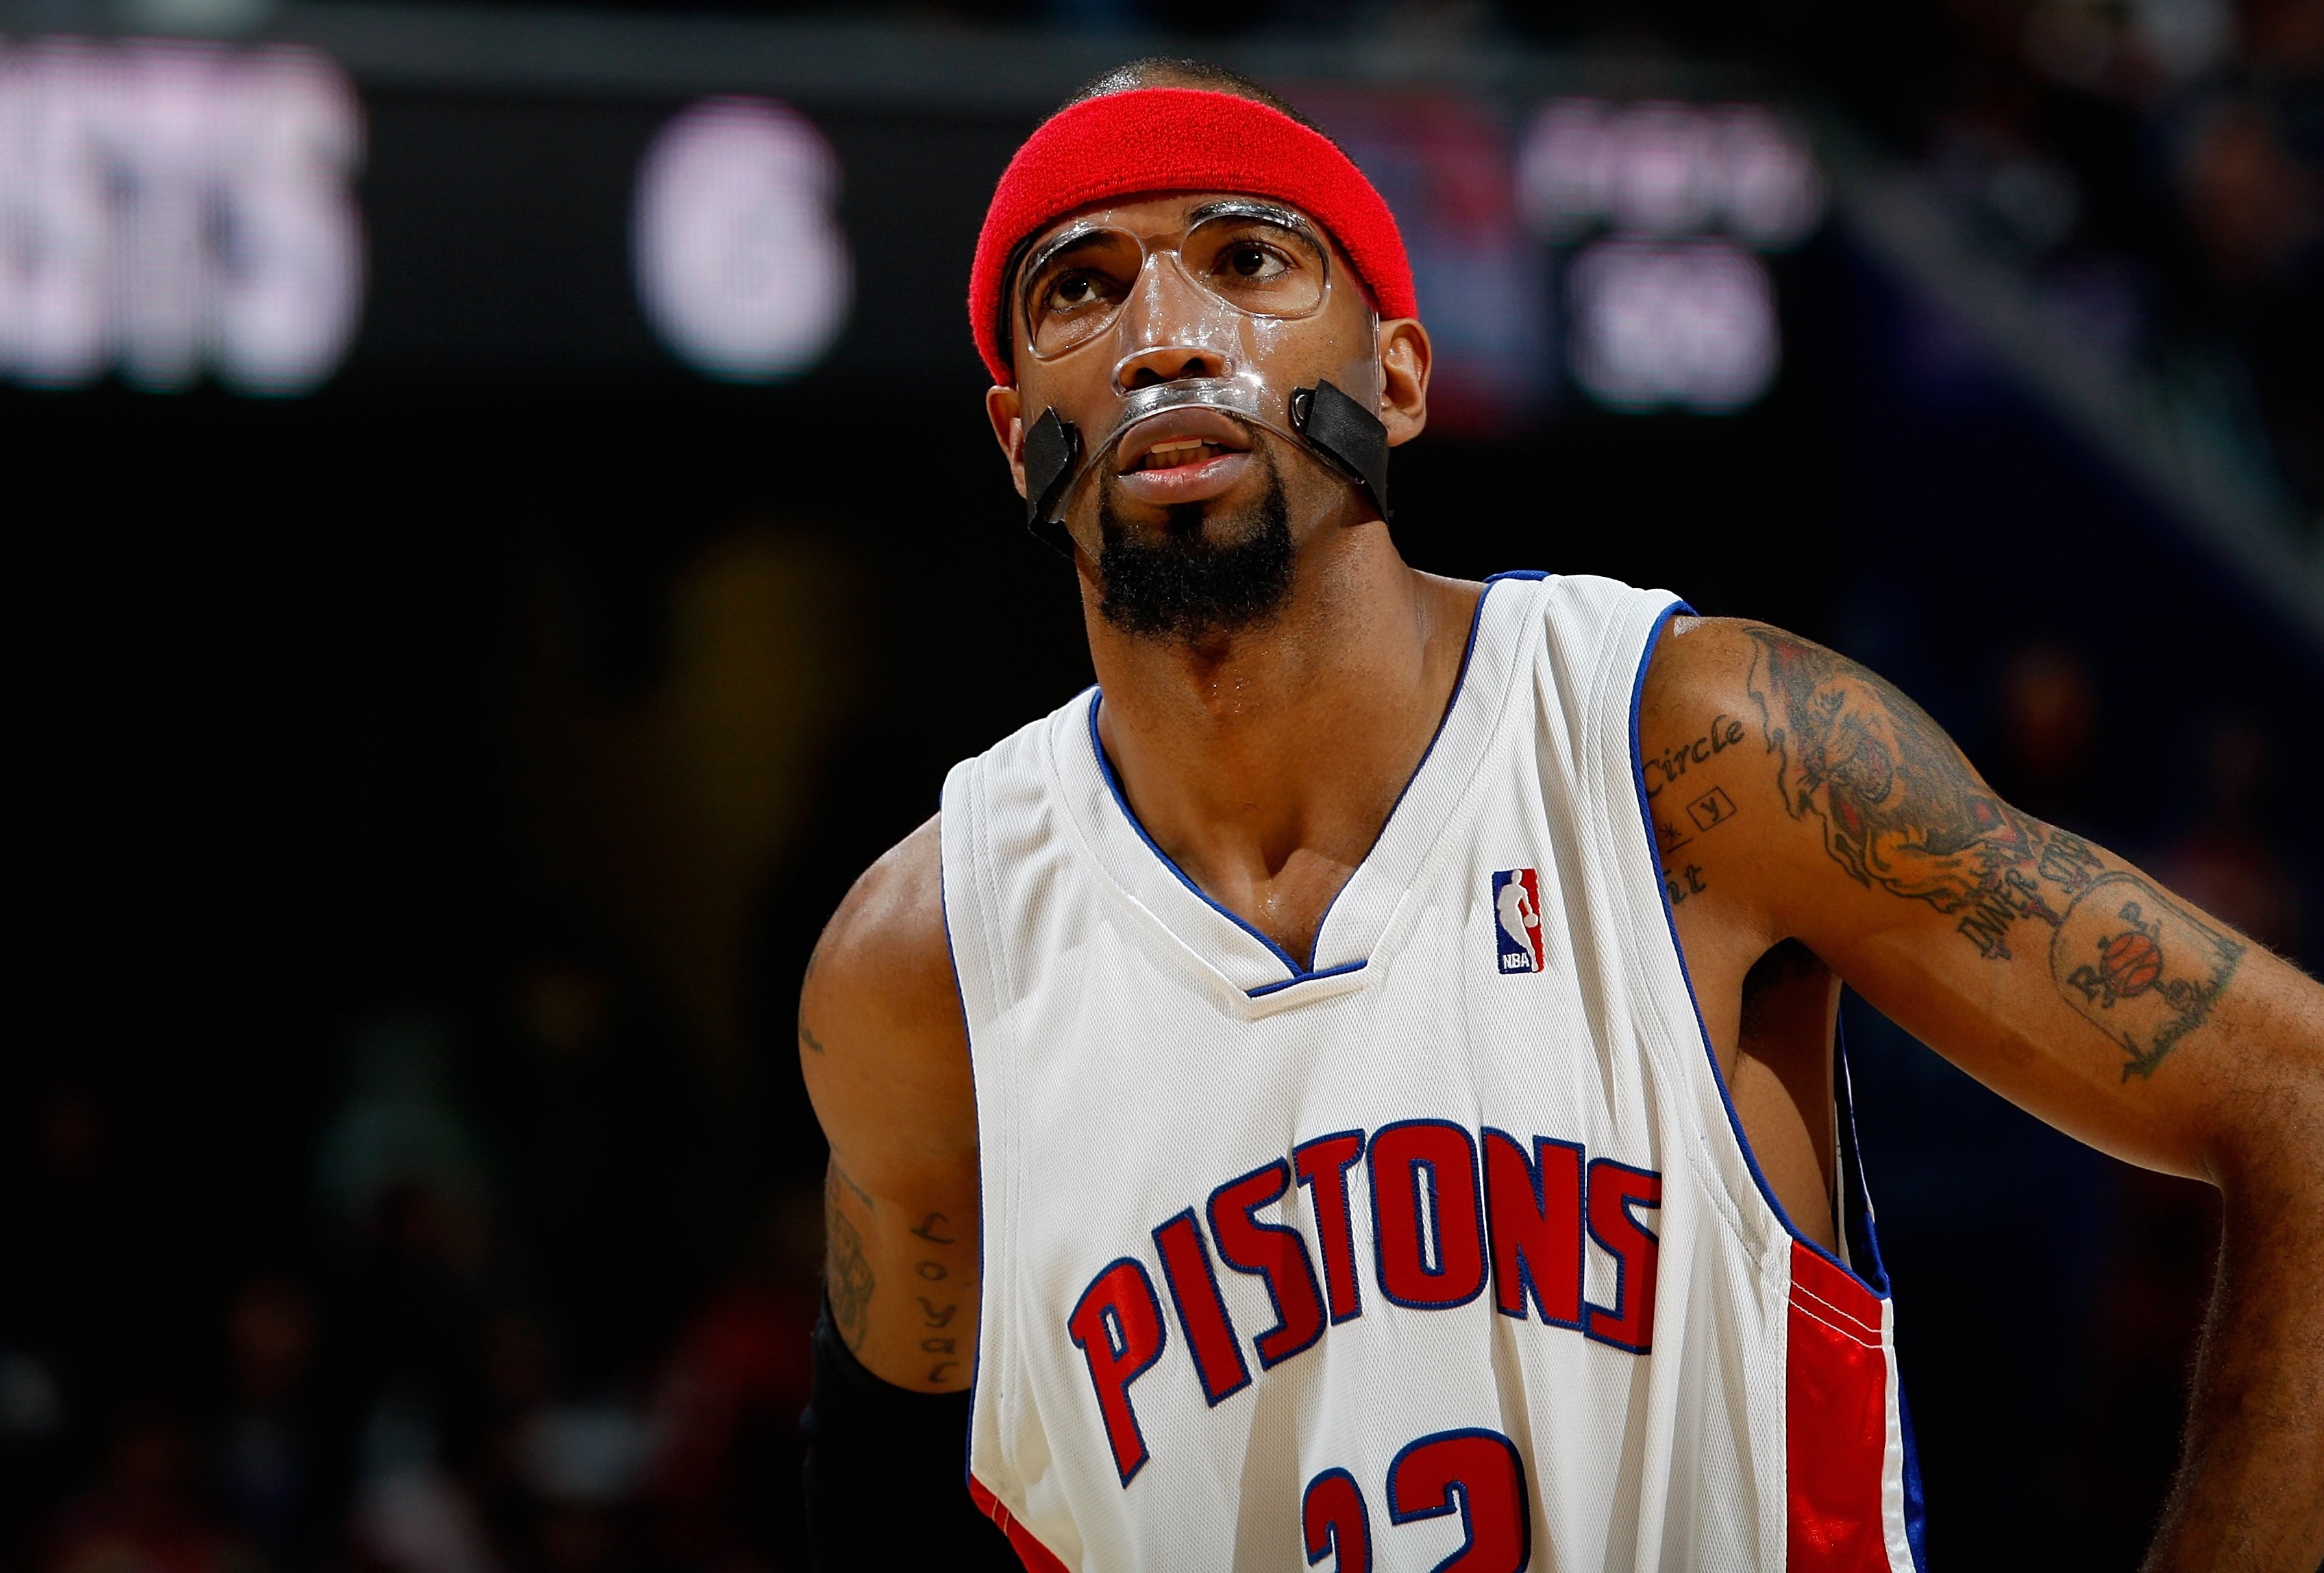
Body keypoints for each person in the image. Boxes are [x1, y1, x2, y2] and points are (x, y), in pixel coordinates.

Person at [798, 58, 2324, 1572]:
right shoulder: (926, 965)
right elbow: (881, 1508)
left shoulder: (1691, 752)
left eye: (1247, 259)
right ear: (1016, 434)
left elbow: (2297, 1094)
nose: (1164, 336)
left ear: (1397, 376)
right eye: (1082, 289)